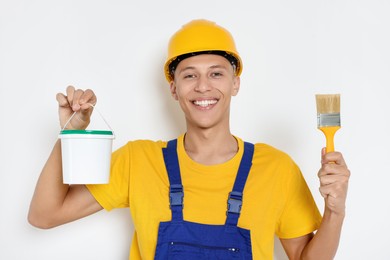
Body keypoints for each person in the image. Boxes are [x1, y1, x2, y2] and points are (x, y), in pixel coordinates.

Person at [28, 19, 350, 259]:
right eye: (189, 74)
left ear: (235, 84)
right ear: (174, 88)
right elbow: (44, 215)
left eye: (216, 73)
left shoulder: (276, 169)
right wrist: (72, 132)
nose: (203, 87)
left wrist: (335, 211)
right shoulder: (138, 162)